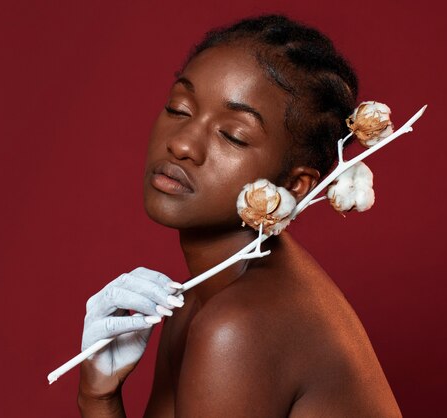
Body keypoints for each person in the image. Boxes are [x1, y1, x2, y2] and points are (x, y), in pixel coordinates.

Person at [77, 15, 402, 417]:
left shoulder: (239, 325)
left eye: (232, 135)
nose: (181, 144)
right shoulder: (199, 300)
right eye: (179, 109)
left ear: (296, 185)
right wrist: (98, 395)